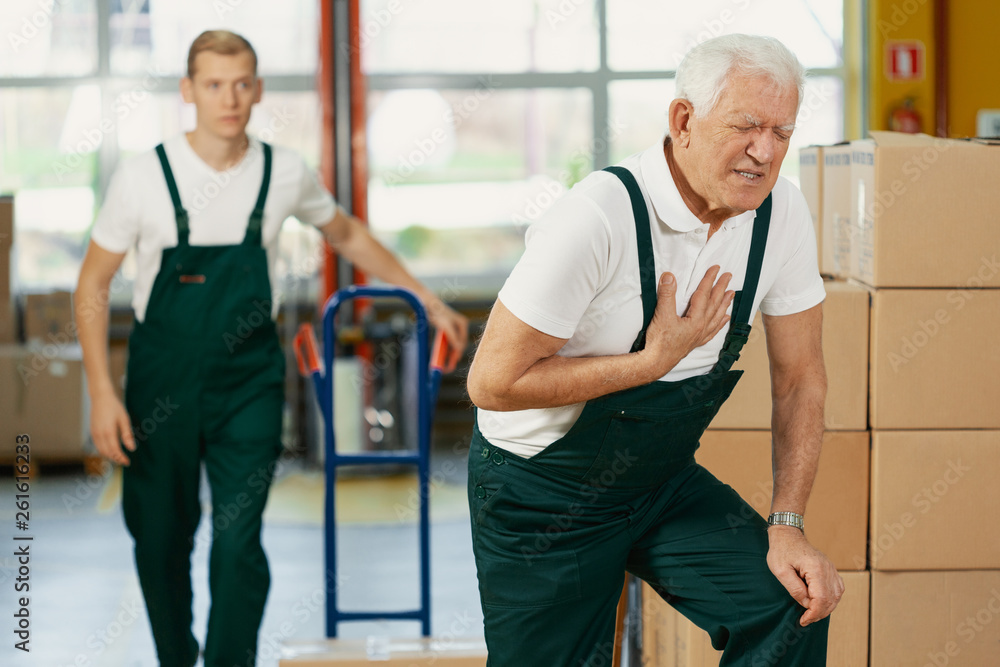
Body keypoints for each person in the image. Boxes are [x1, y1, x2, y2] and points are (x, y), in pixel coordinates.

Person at [75, 30, 468, 667]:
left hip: (248, 383)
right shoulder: (144, 176)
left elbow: (347, 234)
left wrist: (422, 296)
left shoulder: (282, 171)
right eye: (212, 84)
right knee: (159, 539)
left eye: (240, 83)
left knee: (237, 541)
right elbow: (91, 282)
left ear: (256, 89)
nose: (228, 98)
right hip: (160, 381)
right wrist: (100, 390)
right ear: (188, 91)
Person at [466, 34, 843, 666]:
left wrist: (788, 526)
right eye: (747, 125)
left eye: (782, 131)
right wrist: (649, 364)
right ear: (684, 121)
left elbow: (801, 378)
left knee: (789, 605)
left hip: (658, 485)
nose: (765, 151)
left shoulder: (782, 215)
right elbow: (492, 383)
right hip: (541, 494)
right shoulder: (596, 218)